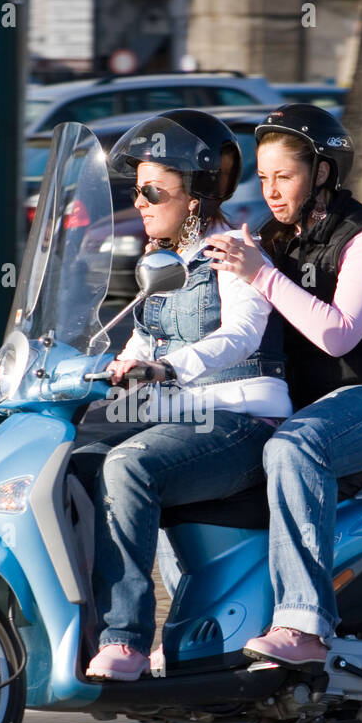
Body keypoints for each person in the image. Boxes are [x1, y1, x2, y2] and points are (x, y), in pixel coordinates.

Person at [204, 104, 362, 666]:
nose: (272, 190)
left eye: (285, 175)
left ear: (323, 172)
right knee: (191, 455)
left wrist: (259, 271)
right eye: (263, 177)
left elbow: (339, 335)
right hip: (310, 406)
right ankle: (204, 632)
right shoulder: (271, 238)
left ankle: (303, 625)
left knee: (292, 447)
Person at [70, 109, 293, 681]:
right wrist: (103, 366)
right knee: (74, 467)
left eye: (152, 190)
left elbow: (240, 333)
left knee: (127, 465)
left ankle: (126, 641)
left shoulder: (233, 252)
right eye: (136, 190)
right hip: (187, 415)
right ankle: (85, 627)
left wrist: (169, 367)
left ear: (193, 196)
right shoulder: (159, 262)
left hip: (242, 418)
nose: (139, 202)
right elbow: (145, 339)